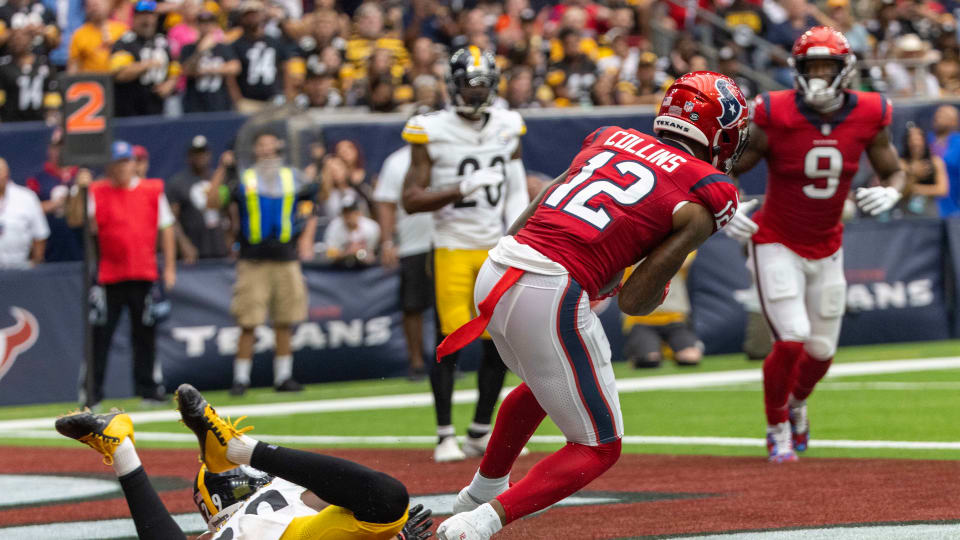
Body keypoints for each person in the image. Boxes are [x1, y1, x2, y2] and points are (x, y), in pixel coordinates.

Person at [433, 71, 749, 540]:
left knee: (545, 385)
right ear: (720, 132)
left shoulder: (610, 138)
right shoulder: (709, 191)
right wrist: (651, 282)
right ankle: (478, 524)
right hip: (551, 286)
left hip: (500, 264)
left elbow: (543, 198)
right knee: (599, 445)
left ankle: (480, 492)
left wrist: (515, 251)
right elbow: (638, 301)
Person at [726, 27, 905, 463]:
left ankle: (798, 403)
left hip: (827, 245)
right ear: (797, 71)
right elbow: (729, 165)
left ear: (845, 71)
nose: (820, 76)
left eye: (828, 67)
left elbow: (892, 169)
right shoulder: (774, 112)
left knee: (821, 352)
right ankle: (776, 426)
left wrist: (895, 190)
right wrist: (726, 206)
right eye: (812, 67)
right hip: (775, 240)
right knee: (791, 340)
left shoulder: (870, 111)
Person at [54, 383, 435, 540]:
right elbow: (362, 495)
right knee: (387, 502)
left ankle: (122, 450)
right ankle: (242, 449)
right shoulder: (289, 495)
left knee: (387, 503)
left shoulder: (220, 531)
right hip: (294, 525)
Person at [401, 47, 530, 463]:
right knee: (451, 342)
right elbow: (410, 199)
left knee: (499, 343)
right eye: (468, 86)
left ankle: (479, 429)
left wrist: (516, 234)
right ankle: (444, 434)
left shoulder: (510, 123)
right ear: (452, 86)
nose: (475, 95)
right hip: (452, 246)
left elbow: (514, 185)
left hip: (495, 245)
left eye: (482, 86)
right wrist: (461, 188)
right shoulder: (429, 128)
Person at [66, 140, 177, 408]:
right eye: (116, 163)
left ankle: (149, 389)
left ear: (133, 163)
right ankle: (92, 394)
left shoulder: (152, 190)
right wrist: (78, 191)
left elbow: (167, 227)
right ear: (109, 167)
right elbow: (75, 220)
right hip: (108, 275)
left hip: (144, 272)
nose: (122, 168)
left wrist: (171, 266)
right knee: (100, 336)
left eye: (126, 162)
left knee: (145, 335)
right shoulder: (96, 191)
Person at [206, 132, 318, 396]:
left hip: (286, 256)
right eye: (261, 146)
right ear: (254, 150)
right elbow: (212, 202)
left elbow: (314, 201)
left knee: (285, 320)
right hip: (252, 259)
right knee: (248, 320)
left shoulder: (293, 176)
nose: (267, 150)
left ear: (279, 148)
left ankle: (283, 376)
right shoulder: (243, 178)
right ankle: (241, 378)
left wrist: (319, 165)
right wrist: (224, 168)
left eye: (271, 144)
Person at [373, 144, 433, 380]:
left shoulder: (447, 150)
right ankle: (416, 362)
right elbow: (386, 203)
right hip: (412, 242)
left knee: (446, 307)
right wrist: (387, 242)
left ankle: (448, 361)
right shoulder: (396, 161)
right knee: (412, 306)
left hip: (447, 240)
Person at [621, 253, 702, 368]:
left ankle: (670, 350)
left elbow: (684, 257)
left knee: (690, 357)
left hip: (674, 318)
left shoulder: (676, 242)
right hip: (641, 320)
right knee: (649, 361)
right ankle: (643, 351)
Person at [228, 0, 302, 112]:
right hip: (248, 102)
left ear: (263, 15)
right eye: (248, 15)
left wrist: (288, 96)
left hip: (275, 100)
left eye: (255, 14)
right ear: (241, 18)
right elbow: (231, 77)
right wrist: (237, 100)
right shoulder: (236, 45)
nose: (252, 18)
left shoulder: (275, 42)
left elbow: (286, 69)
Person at [109, 0, 180, 117]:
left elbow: (175, 68)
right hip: (130, 112)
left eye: (151, 15)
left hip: (158, 110)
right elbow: (118, 74)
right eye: (142, 16)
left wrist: (169, 84)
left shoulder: (162, 42)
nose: (147, 20)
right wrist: (146, 65)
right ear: (134, 18)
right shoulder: (125, 42)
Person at [167, 135, 228, 260]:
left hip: (220, 248)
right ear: (189, 156)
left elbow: (230, 211)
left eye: (203, 153)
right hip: (193, 251)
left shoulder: (219, 178)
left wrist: (231, 239)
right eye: (196, 153)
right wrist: (184, 244)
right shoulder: (177, 183)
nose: (200, 157)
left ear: (209, 154)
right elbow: (172, 219)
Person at [24, 129, 81, 262]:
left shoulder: (82, 175)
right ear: (49, 149)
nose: (60, 150)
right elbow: (28, 211)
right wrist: (56, 204)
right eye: (56, 146)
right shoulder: (37, 179)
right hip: (51, 246)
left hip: (79, 246)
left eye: (63, 146)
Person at [180, 10, 240, 113]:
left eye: (209, 22)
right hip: (195, 105)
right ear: (197, 25)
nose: (206, 26)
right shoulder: (189, 48)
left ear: (215, 25)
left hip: (220, 103)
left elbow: (235, 67)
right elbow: (185, 70)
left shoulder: (223, 47)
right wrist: (200, 51)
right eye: (202, 23)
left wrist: (207, 70)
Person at [0, 28, 60, 123]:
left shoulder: (43, 64)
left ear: (30, 40)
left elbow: (51, 93)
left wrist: (52, 117)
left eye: (22, 37)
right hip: (11, 122)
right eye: (14, 38)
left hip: (39, 121)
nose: (17, 41)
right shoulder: (4, 67)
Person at [0, 157, 49, 269]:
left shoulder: (26, 197)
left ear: (7, 174)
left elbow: (40, 234)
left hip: (20, 268)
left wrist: (36, 263)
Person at [898, 124, 948, 217]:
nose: (915, 142)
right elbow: (900, 192)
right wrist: (913, 174)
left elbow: (942, 189)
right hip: (906, 212)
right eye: (912, 139)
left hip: (929, 211)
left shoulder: (936, 162)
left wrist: (917, 188)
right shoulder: (901, 163)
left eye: (919, 138)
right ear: (907, 142)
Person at [67, 0, 127, 73]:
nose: (94, 7)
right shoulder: (79, 34)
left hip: (117, 79)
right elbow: (73, 68)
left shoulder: (122, 30)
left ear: (109, 5)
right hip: (91, 81)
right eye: (90, 5)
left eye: (98, 4)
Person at [323, 197, 381, 266]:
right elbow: (330, 254)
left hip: (364, 267)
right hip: (339, 267)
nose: (349, 216)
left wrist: (361, 252)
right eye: (346, 212)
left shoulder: (371, 227)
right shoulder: (334, 227)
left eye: (352, 212)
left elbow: (372, 252)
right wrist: (347, 253)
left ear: (359, 213)